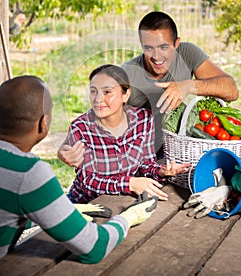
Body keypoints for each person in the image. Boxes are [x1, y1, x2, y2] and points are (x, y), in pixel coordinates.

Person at [0, 75, 159, 263]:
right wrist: (129, 217)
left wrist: (63, 210)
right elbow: (94, 247)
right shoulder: (28, 173)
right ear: (43, 123)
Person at [59, 64, 190, 204]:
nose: (98, 99)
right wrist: (130, 184)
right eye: (93, 91)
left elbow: (145, 163)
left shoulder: (143, 119)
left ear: (125, 95)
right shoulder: (80, 128)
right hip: (85, 205)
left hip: (123, 202)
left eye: (107, 92)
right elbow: (88, 182)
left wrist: (161, 171)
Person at [122, 11, 239, 155]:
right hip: (145, 155)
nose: (156, 56)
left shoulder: (187, 53)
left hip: (184, 148)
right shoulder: (127, 73)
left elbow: (232, 91)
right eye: (148, 48)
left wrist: (188, 86)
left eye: (163, 47)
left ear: (176, 43)